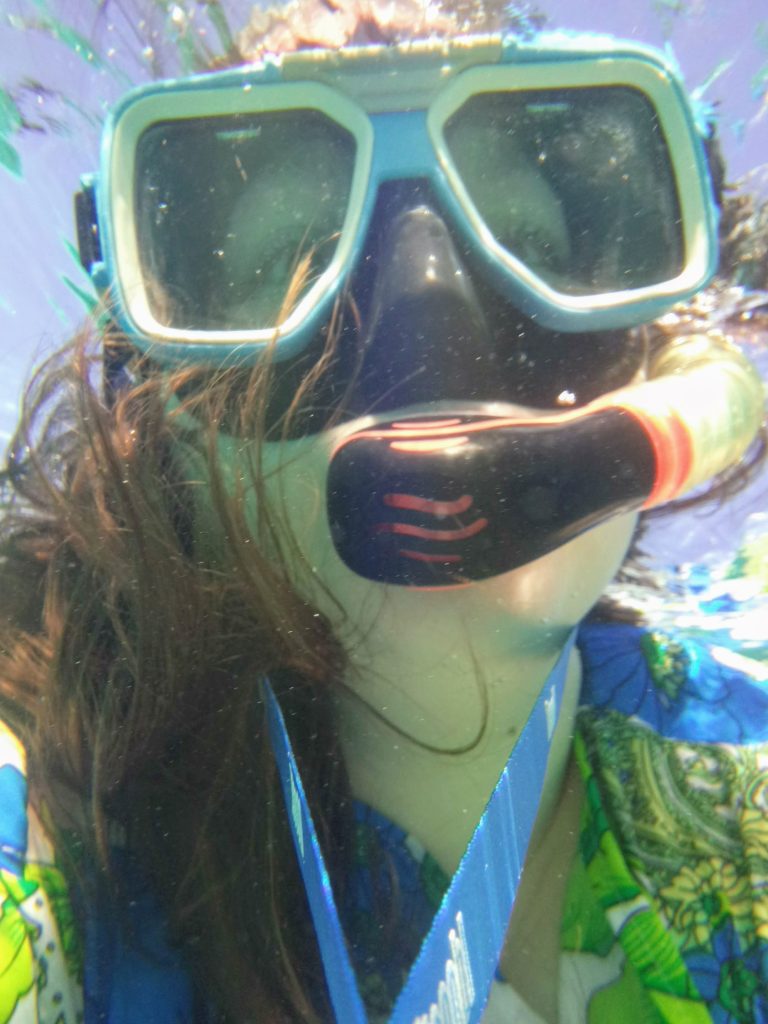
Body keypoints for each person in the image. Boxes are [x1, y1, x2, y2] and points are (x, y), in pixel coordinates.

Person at [0, 2, 766, 1022]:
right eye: (289, 264)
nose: (429, 318)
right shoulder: (67, 815)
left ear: (662, 362)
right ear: (164, 404)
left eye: (530, 239)